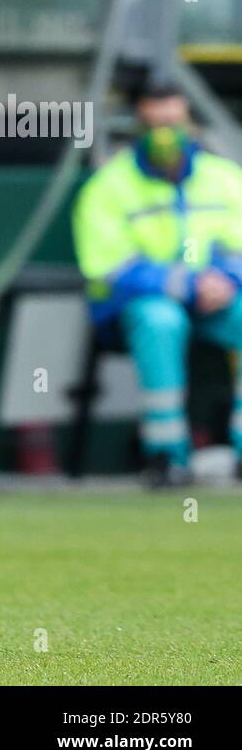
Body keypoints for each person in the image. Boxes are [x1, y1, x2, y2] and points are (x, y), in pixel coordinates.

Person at [72, 81, 242, 486]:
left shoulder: (224, 177)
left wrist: (227, 277)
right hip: (137, 306)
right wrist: (184, 284)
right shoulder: (107, 187)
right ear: (138, 126)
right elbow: (107, 266)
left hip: (215, 299)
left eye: (174, 121)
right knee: (160, 321)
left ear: (190, 123)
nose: (166, 133)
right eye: (154, 123)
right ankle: (166, 457)